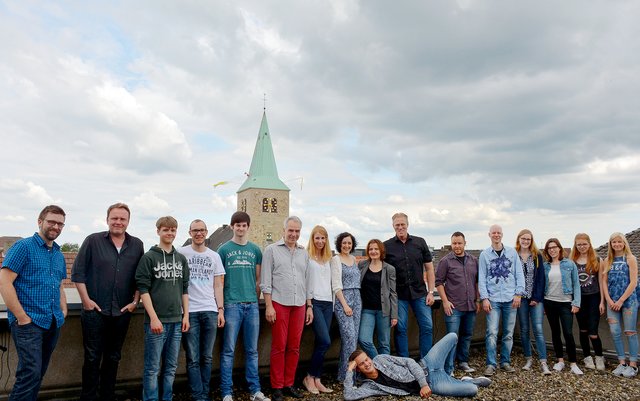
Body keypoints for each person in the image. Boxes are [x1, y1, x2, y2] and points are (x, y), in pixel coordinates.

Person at [71, 203, 145, 401]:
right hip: (95, 311)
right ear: (107, 219)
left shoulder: (137, 245)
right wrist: (86, 301)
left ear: (128, 221)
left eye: (122, 219)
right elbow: (77, 273)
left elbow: (141, 277)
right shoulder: (93, 241)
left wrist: (135, 302)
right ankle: (88, 398)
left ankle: (107, 396)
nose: (118, 222)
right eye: (115, 218)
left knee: (114, 357)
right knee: (92, 357)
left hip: (122, 312)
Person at [0, 205, 68, 401]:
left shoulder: (57, 253)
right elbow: (4, 282)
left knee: (38, 373)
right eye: (51, 222)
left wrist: (63, 308)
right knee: (29, 373)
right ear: (40, 222)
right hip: (29, 323)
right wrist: (22, 317)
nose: (55, 226)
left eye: (60, 224)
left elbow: (59, 284)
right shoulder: (23, 247)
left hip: (52, 321)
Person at [135, 216, 190, 401]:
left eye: (173, 230)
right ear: (158, 231)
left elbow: (184, 289)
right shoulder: (149, 258)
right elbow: (143, 289)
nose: (170, 233)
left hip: (176, 321)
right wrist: (153, 318)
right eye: (166, 229)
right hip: (156, 323)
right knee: (152, 368)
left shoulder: (181, 259)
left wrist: (186, 316)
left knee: (171, 367)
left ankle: (167, 397)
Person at [343, 333, 491, 400]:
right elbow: (349, 395)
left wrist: (423, 384)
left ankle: (449, 372)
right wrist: (349, 370)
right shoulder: (369, 386)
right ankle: (467, 381)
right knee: (472, 390)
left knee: (452, 336)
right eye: (362, 364)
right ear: (358, 369)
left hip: (428, 364)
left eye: (367, 359)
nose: (367, 364)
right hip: (434, 384)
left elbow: (409, 362)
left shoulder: (381, 359)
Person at [260, 216, 313, 401]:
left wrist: (309, 306)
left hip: (299, 305)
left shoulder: (303, 253)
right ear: (283, 230)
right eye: (290, 230)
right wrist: (268, 306)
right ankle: (277, 387)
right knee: (279, 347)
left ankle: (289, 383)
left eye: (297, 231)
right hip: (279, 303)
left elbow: (307, 281)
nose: (294, 234)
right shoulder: (271, 250)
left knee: (294, 347)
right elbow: (265, 282)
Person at [218, 212, 269, 401]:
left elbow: (258, 279)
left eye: (243, 225)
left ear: (248, 227)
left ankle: (255, 390)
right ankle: (226, 392)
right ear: (232, 227)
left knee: (252, 350)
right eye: (237, 225)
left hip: (252, 306)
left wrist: (254, 300)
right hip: (231, 304)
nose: (240, 228)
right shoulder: (223, 250)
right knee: (228, 350)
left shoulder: (255, 250)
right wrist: (221, 306)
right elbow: (219, 280)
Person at [179, 219, 225, 401]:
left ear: (206, 232)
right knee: (193, 358)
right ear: (190, 232)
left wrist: (220, 310)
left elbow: (218, 286)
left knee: (206, 357)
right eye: (195, 230)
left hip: (210, 311)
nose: (199, 233)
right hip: (189, 312)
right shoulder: (181, 253)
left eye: (202, 230)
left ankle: (204, 393)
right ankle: (199, 396)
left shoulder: (214, 256)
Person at [383, 212, 435, 359]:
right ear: (393, 226)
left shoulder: (420, 242)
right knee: (401, 328)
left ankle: (426, 361)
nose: (400, 227)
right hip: (399, 295)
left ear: (407, 225)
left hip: (420, 293)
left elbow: (430, 268)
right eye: (397, 225)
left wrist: (431, 291)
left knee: (427, 327)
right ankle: (405, 362)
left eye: (402, 224)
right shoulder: (387, 246)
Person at [478, 224, 524, 376]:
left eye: (498, 233)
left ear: (502, 235)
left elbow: (519, 274)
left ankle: (505, 361)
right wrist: (484, 298)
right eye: (493, 233)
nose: (496, 235)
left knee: (509, 333)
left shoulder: (512, 253)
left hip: (510, 299)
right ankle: (491, 364)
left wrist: (518, 294)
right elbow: (482, 279)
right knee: (491, 332)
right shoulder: (484, 255)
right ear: (489, 235)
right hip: (493, 300)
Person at [435, 231, 479, 374]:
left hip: (470, 305)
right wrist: (445, 302)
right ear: (451, 244)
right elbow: (439, 283)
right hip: (454, 306)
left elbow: (477, 281)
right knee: (452, 338)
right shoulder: (445, 261)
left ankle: (463, 362)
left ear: (465, 243)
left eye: (460, 243)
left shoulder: (473, 260)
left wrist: (477, 300)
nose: (457, 246)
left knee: (466, 335)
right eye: (454, 243)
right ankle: (449, 368)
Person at [542, 238, 583, 375]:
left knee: (568, 333)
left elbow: (576, 284)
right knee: (555, 332)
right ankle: (560, 361)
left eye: (554, 247)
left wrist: (576, 302)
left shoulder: (569, 264)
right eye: (549, 248)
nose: (552, 250)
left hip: (566, 303)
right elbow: (542, 285)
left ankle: (573, 363)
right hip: (549, 302)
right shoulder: (545, 266)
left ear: (560, 248)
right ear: (547, 251)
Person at [302, 226, 335, 394]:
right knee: (325, 341)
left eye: (323, 238)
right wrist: (309, 305)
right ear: (312, 239)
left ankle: (317, 379)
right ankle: (309, 376)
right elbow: (306, 283)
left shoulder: (330, 258)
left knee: (320, 343)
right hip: (314, 302)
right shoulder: (307, 257)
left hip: (328, 303)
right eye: (317, 238)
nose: (320, 241)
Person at [601, 232, 638, 378]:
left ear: (624, 243)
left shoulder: (631, 258)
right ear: (610, 244)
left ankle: (633, 365)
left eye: (619, 241)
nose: (616, 244)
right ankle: (622, 362)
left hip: (628, 301)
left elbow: (633, 282)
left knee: (630, 332)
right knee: (615, 332)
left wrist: (621, 300)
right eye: (613, 242)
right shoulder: (607, 260)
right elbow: (604, 281)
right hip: (612, 302)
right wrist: (609, 301)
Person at [514, 229, 549, 375]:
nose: (526, 241)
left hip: (536, 299)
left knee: (538, 329)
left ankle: (543, 361)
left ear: (531, 240)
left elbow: (541, 278)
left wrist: (536, 297)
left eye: (528, 239)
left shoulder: (537, 256)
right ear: (519, 239)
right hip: (520, 298)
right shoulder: (513, 255)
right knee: (524, 330)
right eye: (523, 238)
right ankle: (528, 359)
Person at [570, 233, 606, 371]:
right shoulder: (572, 260)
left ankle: (599, 356)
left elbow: (602, 283)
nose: (582, 247)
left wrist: (602, 301)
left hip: (594, 298)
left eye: (584, 244)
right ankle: (587, 357)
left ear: (589, 244)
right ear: (575, 245)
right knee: (583, 330)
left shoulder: (597, 259)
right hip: (580, 299)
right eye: (579, 244)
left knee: (593, 332)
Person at [358, 239, 398, 358]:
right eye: (371, 249)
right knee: (364, 339)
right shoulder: (362, 265)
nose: (373, 251)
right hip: (367, 310)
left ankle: (385, 372)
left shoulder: (389, 269)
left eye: (376, 249)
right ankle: (380, 364)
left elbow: (393, 292)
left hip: (384, 311)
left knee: (384, 343)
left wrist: (394, 315)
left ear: (381, 250)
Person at [332, 232, 362, 382]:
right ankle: (350, 377)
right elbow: (336, 285)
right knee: (349, 337)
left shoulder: (353, 259)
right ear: (339, 244)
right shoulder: (336, 260)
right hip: (343, 300)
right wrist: (345, 305)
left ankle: (343, 375)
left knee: (352, 340)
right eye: (344, 243)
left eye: (349, 243)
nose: (346, 245)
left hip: (357, 300)